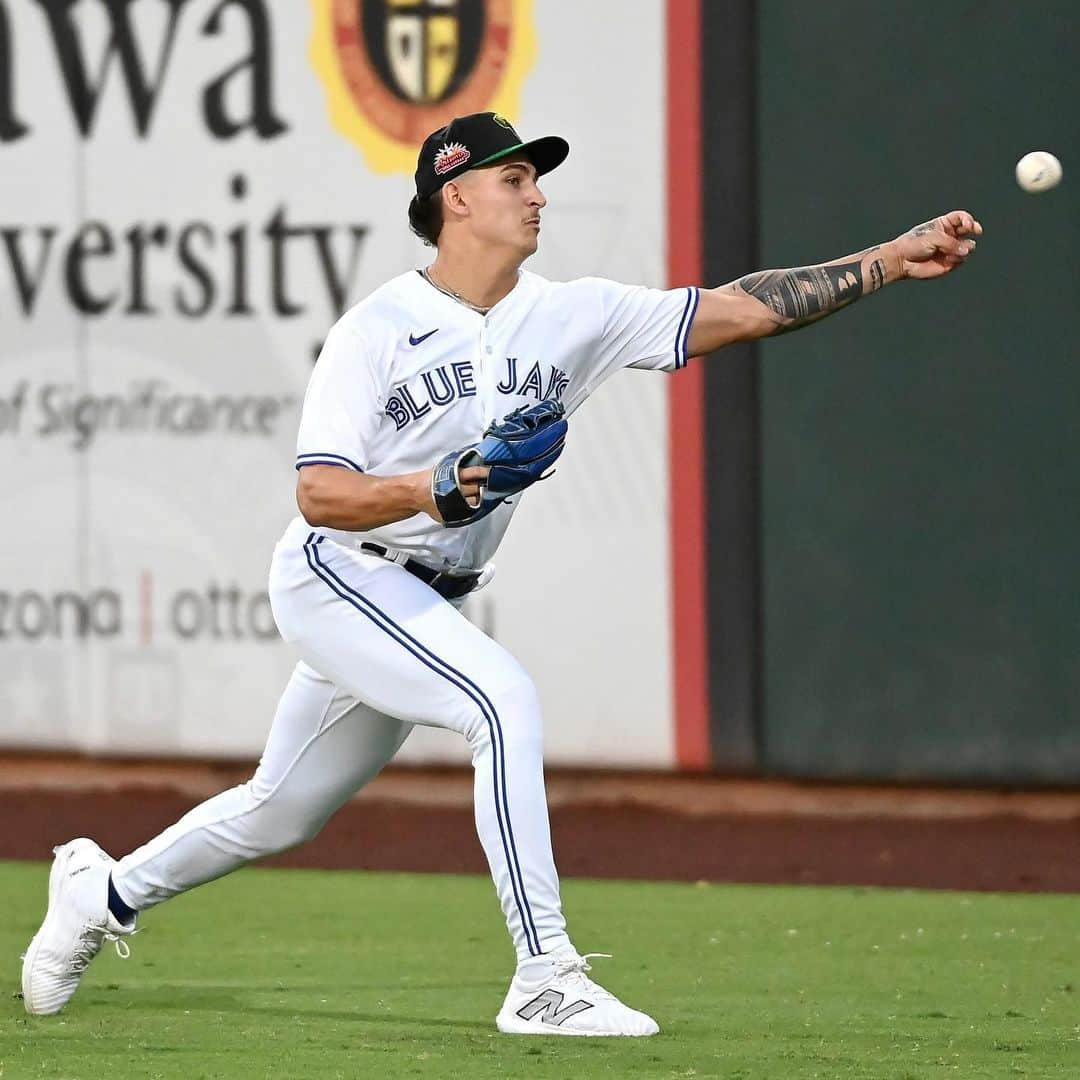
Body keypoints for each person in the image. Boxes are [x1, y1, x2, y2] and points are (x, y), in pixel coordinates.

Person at [21, 112, 981, 1036]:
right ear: (456, 198)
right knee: (500, 700)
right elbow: (320, 495)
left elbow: (735, 307)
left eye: (538, 179)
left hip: (420, 594)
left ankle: (98, 892)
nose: (537, 197)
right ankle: (546, 978)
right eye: (515, 179)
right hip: (340, 572)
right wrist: (437, 486)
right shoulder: (378, 330)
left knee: (281, 811)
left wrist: (888, 260)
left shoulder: (572, 316)